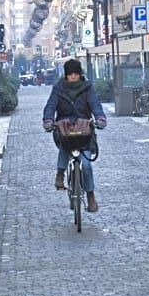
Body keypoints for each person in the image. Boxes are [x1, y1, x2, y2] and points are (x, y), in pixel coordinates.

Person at [41, 59, 107, 213]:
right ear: (66, 75)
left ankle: (90, 196)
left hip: (84, 130)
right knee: (64, 145)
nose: (73, 77)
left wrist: (100, 118)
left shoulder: (87, 88)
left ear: (80, 74)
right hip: (65, 128)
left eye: (75, 74)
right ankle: (60, 174)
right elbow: (51, 105)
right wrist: (49, 120)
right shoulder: (58, 88)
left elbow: (95, 104)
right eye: (70, 74)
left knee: (87, 165)